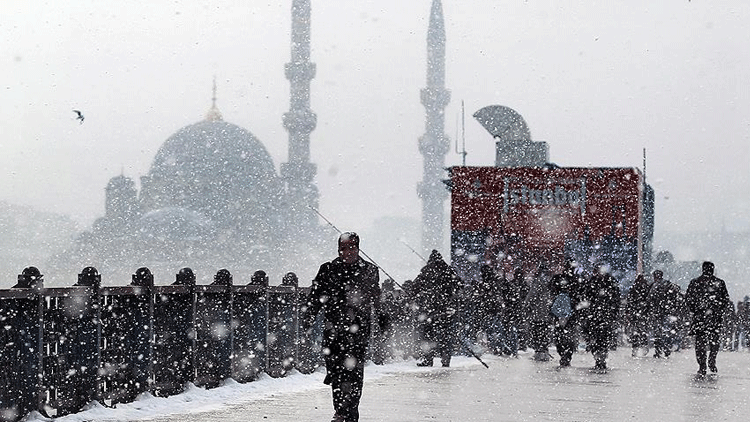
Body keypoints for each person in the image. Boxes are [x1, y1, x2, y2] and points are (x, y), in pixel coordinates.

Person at [301, 232, 386, 422]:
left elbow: (376, 297)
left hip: (358, 330)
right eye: (344, 248)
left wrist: (382, 317)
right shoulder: (328, 270)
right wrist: (308, 316)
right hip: (333, 330)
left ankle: (348, 412)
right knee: (336, 371)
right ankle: (341, 408)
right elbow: (315, 297)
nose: (348, 252)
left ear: (358, 248)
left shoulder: (369, 270)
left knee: (354, 372)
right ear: (339, 250)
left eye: (352, 248)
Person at [412, 249, 461, 367]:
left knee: (427, 335)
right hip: (446, 310)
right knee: (446, 336)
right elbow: (459, 284)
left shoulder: (426, 272)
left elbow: (414, 287)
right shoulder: (449, 271)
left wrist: (422, 294)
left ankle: (428, 359)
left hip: (430, 310)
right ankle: (446, 359)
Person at [685, 261, 732, 376]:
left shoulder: (696, 282)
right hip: (712, 317)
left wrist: (696, 309)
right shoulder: (718, 283)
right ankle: (709, 360)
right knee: (713, 341)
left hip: (702, 317)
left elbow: (688, 298)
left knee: (702, 342)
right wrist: (717, 309)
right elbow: (725, 300)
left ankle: (703, 364)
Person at [579, 263, 620, 371]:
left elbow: (616, 299)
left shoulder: (609, 282)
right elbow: (586, 297)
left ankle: (601, 358)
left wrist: (613, 312)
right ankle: (598, 358)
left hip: (604, 316)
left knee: (603, 339)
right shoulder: (592, 282)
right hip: (594, 316)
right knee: (594, 339)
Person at [549, 259, 581, 368]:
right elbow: (580, 297)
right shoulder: (576, 280)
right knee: (568, 337)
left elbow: (551, 291)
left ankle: (563, 354)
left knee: (559, 336)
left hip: (559, 314)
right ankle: (566, 356)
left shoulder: (557, 278)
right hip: (571, 314)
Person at [647, 270, 682, 358]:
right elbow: (677, 291)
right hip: (667, 312)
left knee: (658, 332)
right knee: (666, 332)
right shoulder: (668, 284)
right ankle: (666, 349)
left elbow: (649, 299)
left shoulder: (654, 286)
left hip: (658, 312)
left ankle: (658, 351)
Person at [525, 263, 554, 361]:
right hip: (547, 313)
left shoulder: (537, 282)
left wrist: (527, 305)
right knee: (545, 332)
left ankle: (539, 352)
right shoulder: (550, 281)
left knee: (537, 332)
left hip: (537, 313)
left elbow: (531, 296)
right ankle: (545, 351)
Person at [499, 268, 529, 357]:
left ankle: (513, 347)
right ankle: (515, 347)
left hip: (513, 310)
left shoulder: (513, 285)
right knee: (515, 329)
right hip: (516, 310)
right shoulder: (516, 285)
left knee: (512, 330)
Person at [625, 274, 651, 357]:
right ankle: (642, 347)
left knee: (636, 332)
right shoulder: (647, 289)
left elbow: (629, 301)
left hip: (636, 313)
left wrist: (629, 311)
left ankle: (636, 348)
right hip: (642, 313)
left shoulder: (634, 289)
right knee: (642, 331)